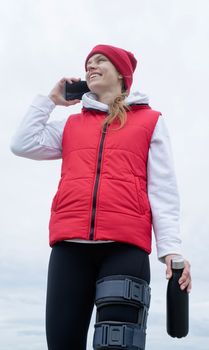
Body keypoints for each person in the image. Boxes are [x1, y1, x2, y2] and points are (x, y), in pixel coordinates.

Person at [10, 44, 192, 350]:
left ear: (122, 74)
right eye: (88, 64)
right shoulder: (71, 124)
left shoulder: (150, 121)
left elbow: (163, 190)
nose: (90, 67)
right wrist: (50, 101)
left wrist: (171, 251)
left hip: (124, 251)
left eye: (99, 61)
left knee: (117, 346)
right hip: (69, 251)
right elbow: (22, 143)